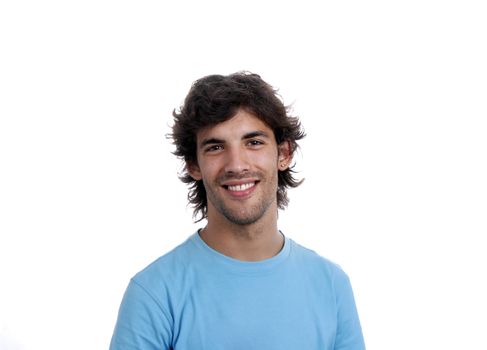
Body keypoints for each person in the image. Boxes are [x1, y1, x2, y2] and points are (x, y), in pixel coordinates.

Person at [109, 72, 365, 350]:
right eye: (216, 147)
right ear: (193, 165)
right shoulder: (154, 294)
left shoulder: (331, 285)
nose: (236, 164)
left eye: (253, 142)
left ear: (284, 154)